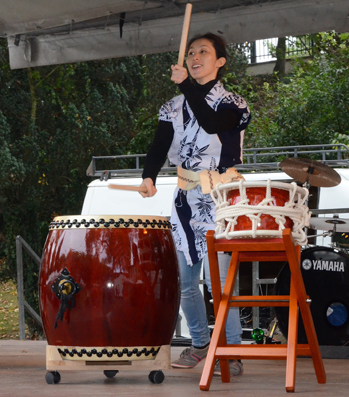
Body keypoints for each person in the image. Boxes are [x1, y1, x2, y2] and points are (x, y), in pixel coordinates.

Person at [140, 33, 251, 376]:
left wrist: (187, 85)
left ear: (220, 62)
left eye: (204, 51)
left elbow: (210, 122)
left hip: (220, 197)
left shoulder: (234, 103)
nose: (194, 56)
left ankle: (229, 351)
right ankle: (202, 345)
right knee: (186, 280)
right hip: (186, 198)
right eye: (191, 52)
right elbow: (160, 145)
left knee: (220, 280)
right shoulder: (172, 106)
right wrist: (149, 176)